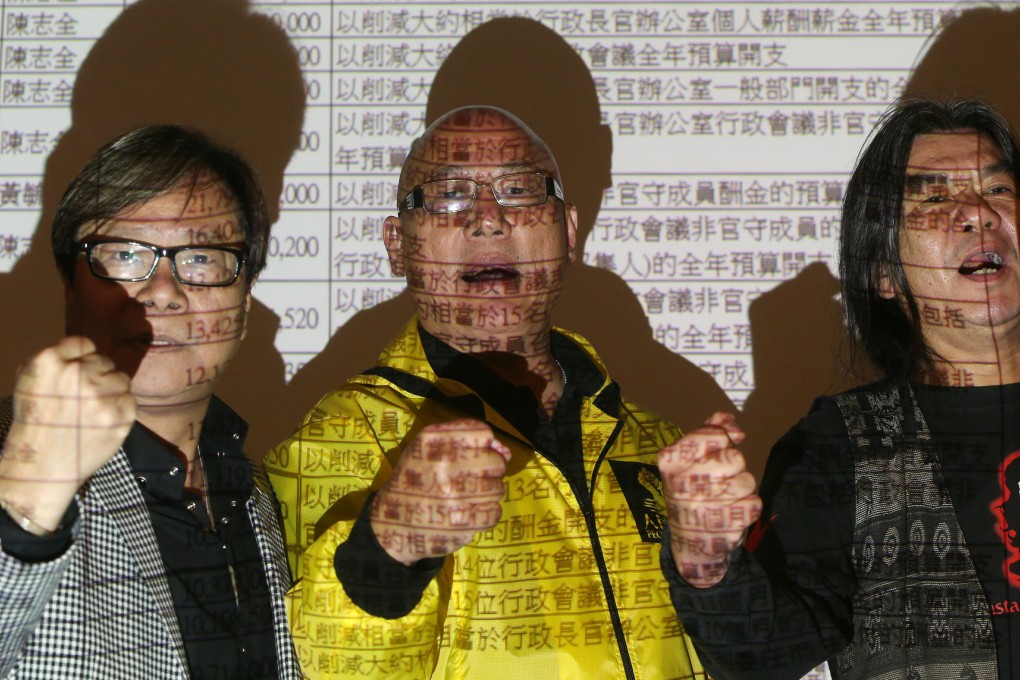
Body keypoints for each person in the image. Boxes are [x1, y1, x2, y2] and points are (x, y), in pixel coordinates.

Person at [265, 106, 707, 679]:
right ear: (398, 244)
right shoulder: (340, 437)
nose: (488, 219)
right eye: (449, 195)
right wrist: (388, 552)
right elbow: (324, 663)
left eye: (520, 191)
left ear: (569, 230)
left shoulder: (657, 440)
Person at [659, 97, 1020, 679]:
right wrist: (706, 561)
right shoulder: (835, 447)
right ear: (883, 273)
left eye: (998, 191)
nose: (977, 213)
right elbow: (769, 655)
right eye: (934, 198)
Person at [0, 125, 300, 678]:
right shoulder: (7, 459)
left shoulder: (255, 494)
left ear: (246, 301)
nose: (163, 290)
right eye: (123, 254)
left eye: (203, 258)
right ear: (70, 288)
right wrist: (23, 507)